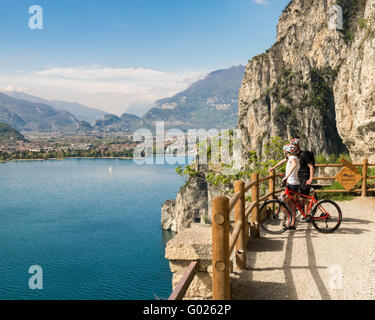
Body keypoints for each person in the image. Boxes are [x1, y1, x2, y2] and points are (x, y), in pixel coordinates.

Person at [290, 138, 315, 219]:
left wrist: (310, 178)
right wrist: (274, 167)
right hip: (298, 178)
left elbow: (311, 166)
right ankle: (303, 211)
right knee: (298, 196)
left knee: (305, 198)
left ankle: (306, 216)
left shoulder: (303, 154)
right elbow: (285, 160)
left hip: (305, 177)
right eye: (291, 146)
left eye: (294, 145)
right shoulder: (294, 155)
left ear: (297, 145)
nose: (293, 147)